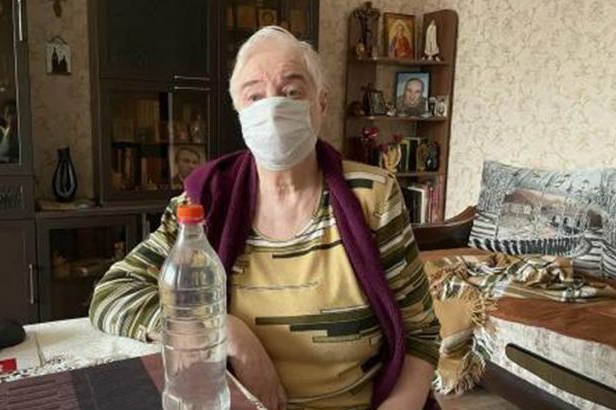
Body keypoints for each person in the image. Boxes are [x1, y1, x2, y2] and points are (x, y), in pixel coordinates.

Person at [89, 26, 439, 410]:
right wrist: (226, 331)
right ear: (239, 111)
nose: (272, 109)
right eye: (254, 96)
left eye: (292, 92)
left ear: (322, 104)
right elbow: (112, 294)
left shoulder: (373, 197)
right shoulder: (204, 205)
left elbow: (420, 335)